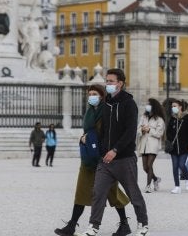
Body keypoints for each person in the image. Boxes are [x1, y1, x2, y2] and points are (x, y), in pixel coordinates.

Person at [54, 84, 132, 236]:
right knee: (81, 190)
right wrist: (85, 138)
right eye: (90, 94)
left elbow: (108, 133)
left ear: (102, 96)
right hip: (88, 157)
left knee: (112, 192)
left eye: (95, 94)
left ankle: (124, 224)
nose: (91, 96)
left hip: (104, 157)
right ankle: (71, 225)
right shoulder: (90, 111)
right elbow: (89, 131)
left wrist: (89, 138)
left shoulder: (107, 111)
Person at [82, 69, 149, 236]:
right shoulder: (106, 104)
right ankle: (93, 226)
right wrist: (94, 143)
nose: (108, 84)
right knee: (98, 193)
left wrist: (115, 150)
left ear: (120, 83)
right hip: (105, 160)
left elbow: (130, 131)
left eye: (111, 81)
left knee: (133, 193)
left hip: (124, 158)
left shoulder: (129, 103)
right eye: (107, 81)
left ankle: (143, 224)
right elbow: (103, 130)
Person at [166, 98, 188, 194]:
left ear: (180, 107)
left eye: (175, 106)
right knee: (175, 167)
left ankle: (187, 178)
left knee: (181, 165)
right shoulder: (172, 118)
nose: (173, 108)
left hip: (184, 146)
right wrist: (170, 141)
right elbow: (168, 132)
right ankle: (177, 186)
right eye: (172, 106)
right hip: (174, 147)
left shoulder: (187, 118)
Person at [137, 98, 165, 193]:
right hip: (144, 144)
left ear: (154, 106)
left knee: (149, 165)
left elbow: (159, 133)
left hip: (153, 144)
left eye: (149, 104)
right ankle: (156, 179)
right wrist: (142, 130)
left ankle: (148, 186)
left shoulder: (159, 120)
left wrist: (149, 130)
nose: (147, 106)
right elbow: (138, 129)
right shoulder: (143, 117)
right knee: (145, 167)